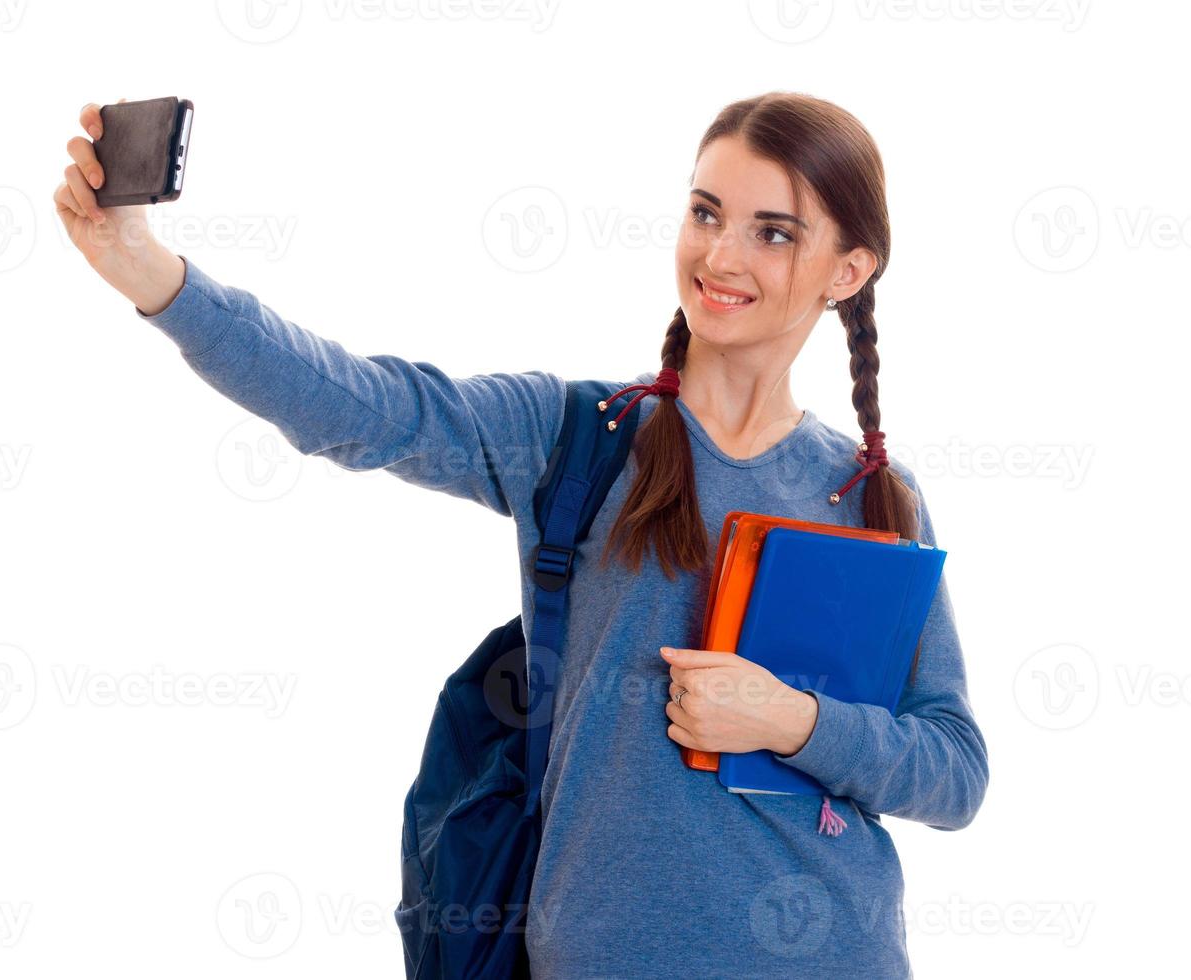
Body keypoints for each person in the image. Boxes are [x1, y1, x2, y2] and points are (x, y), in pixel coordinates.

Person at [56, 90, 989, 977]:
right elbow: (363, 406)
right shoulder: (578, 437)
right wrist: (156, 277)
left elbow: (954, 770)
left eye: (773, 232)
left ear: (849, 270)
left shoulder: (873, 496)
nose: (721, 256)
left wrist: (792, 720)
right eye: (706, 213)